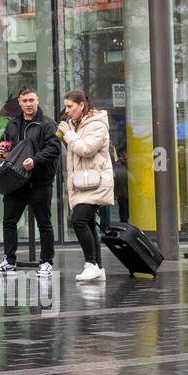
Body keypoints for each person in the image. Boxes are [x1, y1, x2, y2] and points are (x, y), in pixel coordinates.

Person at [0, 86, 60, 276]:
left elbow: (54, 149)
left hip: (39, 181)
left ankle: (46, 262)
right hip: (15, 182)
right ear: (19, 103)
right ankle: (8, 261)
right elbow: (4, 143)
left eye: (31, 100)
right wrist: (2, 148)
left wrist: (35, 161)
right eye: (24, 101)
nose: (28, 104)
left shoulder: (47, 124)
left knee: (44, 223)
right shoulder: (12, 123)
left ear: (37, 101)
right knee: (9, 221)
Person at [57, 90, 114, 282]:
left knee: (78, 220)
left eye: (70, 106)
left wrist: (69, 135)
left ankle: (91, 264)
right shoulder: (76, 124)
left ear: (82, 105)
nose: (67, 111)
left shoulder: (97, 124)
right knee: (88, 223)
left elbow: (86, 149)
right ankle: (98, 267)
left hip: (96, 182)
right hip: (82, 183)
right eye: (66, 107)